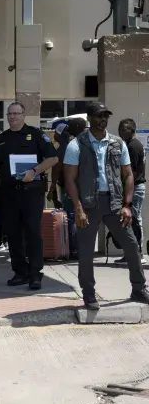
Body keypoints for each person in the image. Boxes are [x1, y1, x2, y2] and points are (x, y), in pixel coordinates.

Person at [63, 102, 149, 309]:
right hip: (89, 204)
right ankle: (89, 294)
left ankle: (138, 288)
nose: (103, 119)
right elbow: (69, 179)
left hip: (115, 203)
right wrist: (79, 207)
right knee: (85, 252)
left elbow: (128, 174)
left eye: (106, 116)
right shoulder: (77, 144)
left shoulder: (118, 143)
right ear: (90, 119)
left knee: (131, 245)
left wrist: (127, 205)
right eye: (99, 115)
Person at [0, 102, 59, 290]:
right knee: (13, 233)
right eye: (9, 114)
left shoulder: (36, 135)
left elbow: (53, 158)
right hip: (8, 193)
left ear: (23, 115)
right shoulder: (2, 139)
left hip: (32, 193)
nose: (12, 117)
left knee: (33, 232)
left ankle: (35, 274)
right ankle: (20, 272)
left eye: (16, 113)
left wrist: (34, 171)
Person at [48, 118, 88, 259]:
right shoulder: (81, 144)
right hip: (83, 186)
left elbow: (56, 168)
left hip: (70, 187)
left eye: (56, 134)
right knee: (82, 216)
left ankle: (75, 250)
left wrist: (52, 187)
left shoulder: (64, 147)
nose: (54, 136)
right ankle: (81, 249)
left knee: (72, 217)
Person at [117, 118, 146, 264]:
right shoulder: (128, 145)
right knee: (131, 220)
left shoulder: (133, 146)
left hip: (135, 187)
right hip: (134, 187)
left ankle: (137, 253)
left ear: (132, 131)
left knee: (134, 219)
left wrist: (125, 189)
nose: (121, 132)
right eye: (120, 129)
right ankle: (131, 253)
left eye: (124, 130)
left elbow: (131, 173)